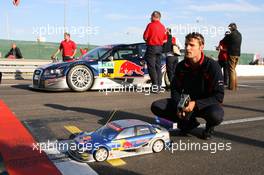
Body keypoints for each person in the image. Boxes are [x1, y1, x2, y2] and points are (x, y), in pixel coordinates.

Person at [151, 32, 224, 140]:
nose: (187, 48)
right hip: (185, 103)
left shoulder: (212, 66)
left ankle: (209, 128)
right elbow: (175, 89)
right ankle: (189, 123)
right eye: (186, 45)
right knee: (156, 106)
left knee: (216, 115)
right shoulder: (181, 66)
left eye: (192, 45)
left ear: (201, 46)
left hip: (205, 105)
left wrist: (195, 104)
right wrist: (178, 106)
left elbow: (219, 96)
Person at [143, 11, 167, 91]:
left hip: (151, 48)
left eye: (151, 17)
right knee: (158, 67)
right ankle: (159, 86)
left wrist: (150, 40)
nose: (150, 18)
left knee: (151, 67)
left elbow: (145, 37)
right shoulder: (163, 27)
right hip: (160, 48)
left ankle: (155, 86)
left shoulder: (150, 25)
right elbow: (165, 40)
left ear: (154, 17)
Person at [224, 23, 242, 90]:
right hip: (238, 54)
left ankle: (231, 86)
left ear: (232, 27)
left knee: (231, 70)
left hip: (232, 53)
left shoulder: (231, 34)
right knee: (233, 69)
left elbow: (225, 41)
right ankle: (235, 85)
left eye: (229, 27)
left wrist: (226, 36)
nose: (229, 29)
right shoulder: (240, 34)